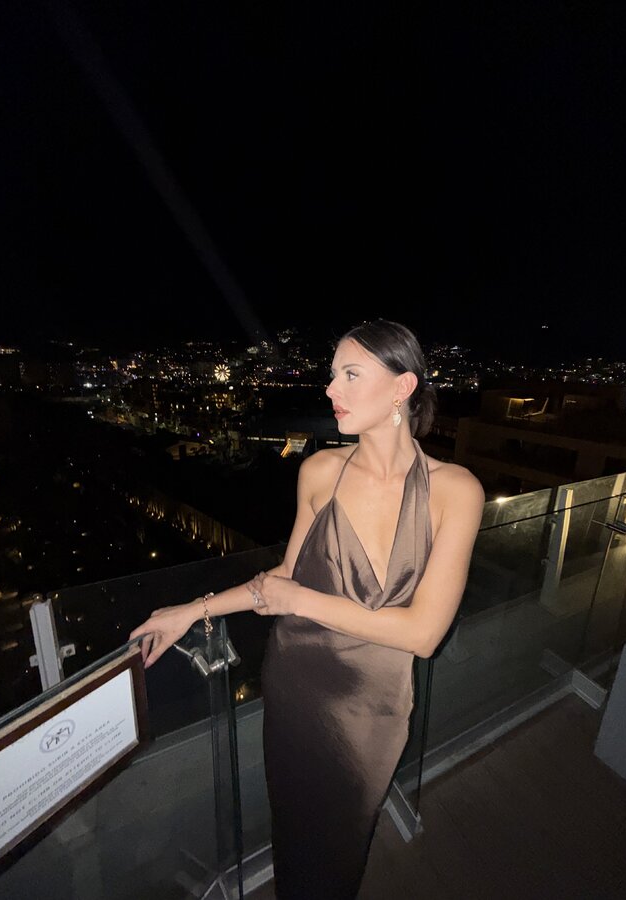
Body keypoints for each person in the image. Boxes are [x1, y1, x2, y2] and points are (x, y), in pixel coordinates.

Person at [129, 319, 485, 899]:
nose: (330, 389)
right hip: (297, 687)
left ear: (402, 388)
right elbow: (283, 583)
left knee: (345, 841)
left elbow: (423, 634)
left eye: (350, 374)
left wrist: (302, 599)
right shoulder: (320, 471)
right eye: (332, 374)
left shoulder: (456, 490)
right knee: (295, 833)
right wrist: (192, 610)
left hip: (372, 709)